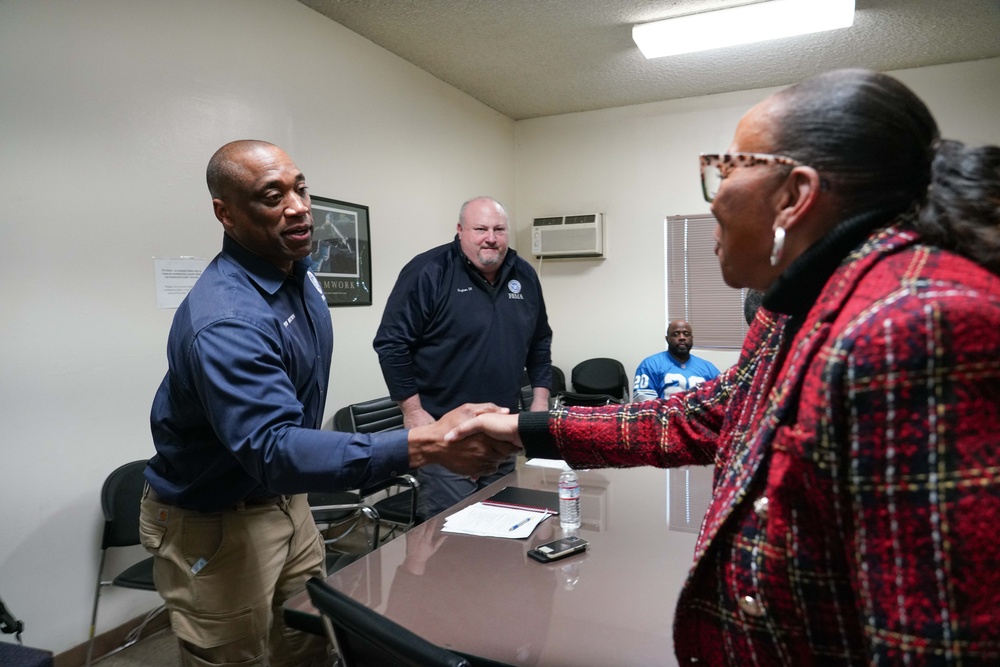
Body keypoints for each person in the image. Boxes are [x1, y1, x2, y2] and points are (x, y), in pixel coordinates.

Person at [447, 69, 1000, 665]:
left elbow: (934, 643)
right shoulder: (797, 308)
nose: (713, 204)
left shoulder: (917, 323)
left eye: (726, 173)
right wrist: (524, 428)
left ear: (795, 195)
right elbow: (703, 415)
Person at [140, 140, 514, 667]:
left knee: (312, 641)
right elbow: (273, 447)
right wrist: (425, 442)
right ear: (225, 213)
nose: (297, 206)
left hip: (288, 503)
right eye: (272, 196)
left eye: (300, 188)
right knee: (234, 658)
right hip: (218, 520)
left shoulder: (298, 271)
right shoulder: (227, 320)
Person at [373, 196, 553, 520]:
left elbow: (540, 341)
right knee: (453, 537)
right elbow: (391, 344)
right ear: (460, 230)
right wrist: (413, 414)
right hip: (446, 434)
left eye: (499, 229)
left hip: (503, 432)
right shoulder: (428, 271)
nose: (491, 238)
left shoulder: (524, 274)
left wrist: (540, 402)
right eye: (480, 229)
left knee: (504, 524)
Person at [632, 319, 720, 400]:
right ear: (667, 339)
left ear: (692, 338)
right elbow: (645, 407)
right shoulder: (650, 365)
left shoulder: (709, 369)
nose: (682, 337)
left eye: (686, 334)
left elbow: (722, 402)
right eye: (676, 334)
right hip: (664, 416)